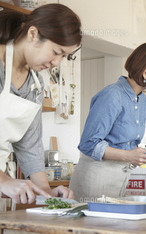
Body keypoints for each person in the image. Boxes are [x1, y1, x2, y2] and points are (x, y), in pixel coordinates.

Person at [69, 42, 146, 202]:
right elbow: (88, 144)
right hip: (96, 179)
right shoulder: (112, 95)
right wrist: (128, 156)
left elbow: (126, 146)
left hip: (120, 177)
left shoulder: (141, 99)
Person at [0, 3, 82, 204]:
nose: (57, 62)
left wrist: (46, 192)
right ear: (33, 34)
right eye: (56, 52)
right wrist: (5, 181)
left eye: (64, 56)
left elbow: (29, 145)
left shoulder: (35, 84)